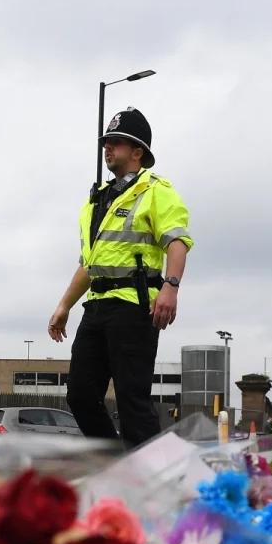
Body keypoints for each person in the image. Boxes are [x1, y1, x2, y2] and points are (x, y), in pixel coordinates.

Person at [47, 108, 192, 448]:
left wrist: (170, 288)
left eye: (116, 143)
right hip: (96, 308)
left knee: (132, 403)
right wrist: (64, 305)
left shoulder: (156, 191)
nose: (107, 148)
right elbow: (90, 262)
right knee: (80, 396)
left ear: (137, 151)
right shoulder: (97, 198)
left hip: (134, 307)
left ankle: (154, 481)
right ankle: (117, 465)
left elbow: (177, 242)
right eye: (106, 143)